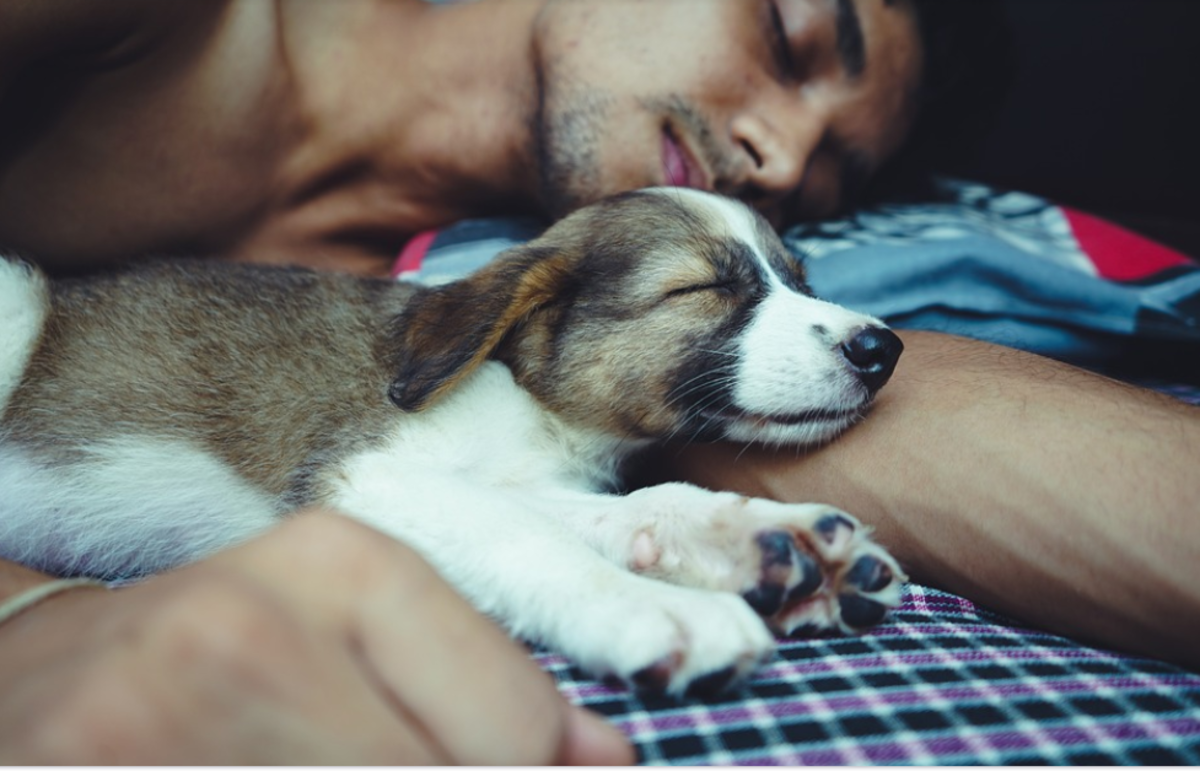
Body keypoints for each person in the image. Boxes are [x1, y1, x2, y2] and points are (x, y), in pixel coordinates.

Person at [0, 0, 1196, 763]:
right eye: (790, 36)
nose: (779, 153)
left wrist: (686, 527)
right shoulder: (149, 24)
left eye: (829, 173)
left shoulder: (516, 291)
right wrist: (27, 615)